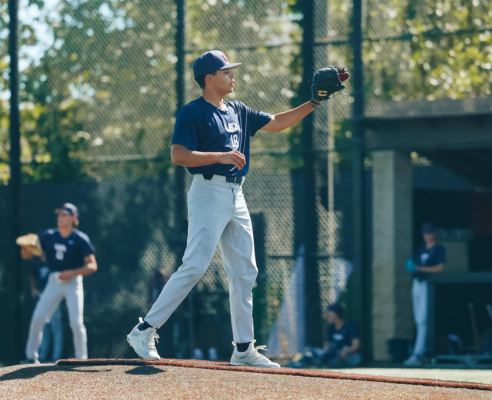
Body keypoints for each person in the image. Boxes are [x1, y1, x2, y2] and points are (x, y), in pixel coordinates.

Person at [127, 50, 348, 368]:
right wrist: (220, 155)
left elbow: (278, 123)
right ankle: (144, 330)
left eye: (232, 70)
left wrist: (314, 102)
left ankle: (243, 349)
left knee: (245, 272)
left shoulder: (238, 110)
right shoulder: (193, 112)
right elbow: (179, 155)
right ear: (209, 79)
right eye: (226, 71)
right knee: (195, 266)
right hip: (208, 192)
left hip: (235, 194)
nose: (233, 75)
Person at [22, 203, 97, 363]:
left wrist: (72, 273)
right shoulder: (48, 236)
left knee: (76, 323)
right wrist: (27, 247)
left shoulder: (80, 239)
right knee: (38, 318)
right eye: (59, 215)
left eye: (64, 215)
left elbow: (92, 265)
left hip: (73, 282)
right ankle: (30, 357)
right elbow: (27, 255)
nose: (60, 218)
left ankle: (81, 359)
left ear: (73, 218)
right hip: (53, 281)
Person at [404, 222, 445, 367]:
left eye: (430, 233)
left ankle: (419, 352)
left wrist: (420, 268)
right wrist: (413, 267)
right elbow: (413, 265)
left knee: (423, 320)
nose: (427, 236)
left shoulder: (438, 249)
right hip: (417, 283)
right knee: (418, 319)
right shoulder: (421, 249)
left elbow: (440, 268)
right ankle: (420, 350)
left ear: (434, 233)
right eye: (425, 233)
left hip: (429, 284)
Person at [286, 303, 361, 368]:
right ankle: (297, 364)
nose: (327, 315)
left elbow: (356, 345)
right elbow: (326, 347)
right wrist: (324, 355)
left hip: (345, 356)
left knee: (356, 359)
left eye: (329, 313)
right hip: (332, 356)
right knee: (309, 351)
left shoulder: (350, 326)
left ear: (336, 314)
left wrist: (346, 351)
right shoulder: (331, 327)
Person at [23, 249, 63, 363]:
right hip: (42, 296)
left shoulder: (54, 261)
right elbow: (33, 276)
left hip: (54, 296)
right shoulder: (36, 261)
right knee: (42, 326)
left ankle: (57, 357)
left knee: (56, 328)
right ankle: (41, 356)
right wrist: (33, 289)